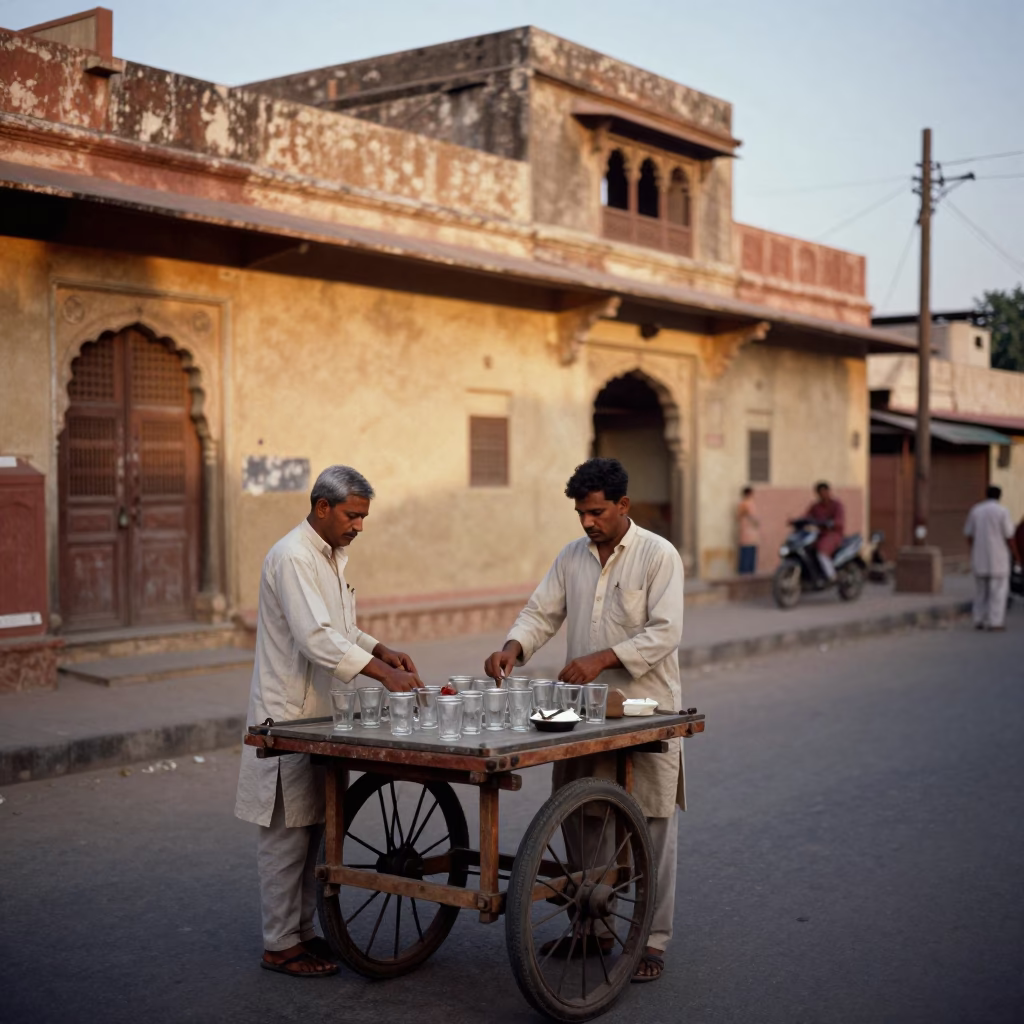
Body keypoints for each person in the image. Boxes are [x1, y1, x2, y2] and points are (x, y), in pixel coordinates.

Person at [484, 457, 685, 984]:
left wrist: (602, 658)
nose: (587, 522)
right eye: (580, 513)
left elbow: (665, 632)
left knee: (649, 826)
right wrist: (513, 646)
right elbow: (541, 612)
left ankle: (650, 941)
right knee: (580, 818)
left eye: (596, 512)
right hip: (582, 715)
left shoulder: (657, 556)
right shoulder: (572, 557)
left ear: (623, 506)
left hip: (646, 712)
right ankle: (591, 928)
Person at [235, 465, 422, 978]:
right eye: (352, 515)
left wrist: (381, 649)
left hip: (319, 716)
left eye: (363, 516)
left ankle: (304, 933)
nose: (359, 526)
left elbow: (341, 629)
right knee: (284, 835)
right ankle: (279, 943)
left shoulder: (331, 557)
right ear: (322, 507)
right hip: (286, 714)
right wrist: (383, 674)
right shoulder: (293, 556)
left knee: (314, 827)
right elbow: (316, 638)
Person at [964, 485, 1019, 631]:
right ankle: (995, 622)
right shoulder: (1003, 512)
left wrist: (973, 549)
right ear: (1000, 496)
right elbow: (1009, 536)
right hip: (998, 558)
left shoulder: (976, 510)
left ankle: (979, 619)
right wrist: (1016, 555)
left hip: (979, 556)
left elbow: (969, 534)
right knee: (998, 592)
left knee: (981, 591)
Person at [805, 481, 845, 583]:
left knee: (821, 551)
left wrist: (831, 523)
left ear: (828, 492)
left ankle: (831, 575)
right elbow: (806, 516)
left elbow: (839, 521)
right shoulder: (815, 506)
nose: (822, 495)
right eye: (819, 493)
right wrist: (796, 521)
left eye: (824, 492)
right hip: (819, 534)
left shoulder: (836, 505)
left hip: (833, 534)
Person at [736, 486, 760, 574]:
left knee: (750, 554)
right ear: (749, 493)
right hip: (747, 533)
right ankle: (745, 574)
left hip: (751, 534)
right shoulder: (745, 504)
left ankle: (748, 573)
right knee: (746, 555)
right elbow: (752, 517)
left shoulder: (748, 503)